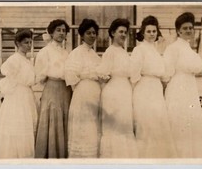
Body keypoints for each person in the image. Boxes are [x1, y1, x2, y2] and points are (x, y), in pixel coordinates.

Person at [130, 15, 176, 158]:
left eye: (154, 31)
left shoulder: (156, 51)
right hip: (144, 89)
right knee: (146, 124)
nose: (151, 34)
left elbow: (163, 72)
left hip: (156, 89)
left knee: (158, 124)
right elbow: (133, 73)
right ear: (143, 32)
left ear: (157, 33)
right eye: (148, 31)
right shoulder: (139, 50)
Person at [163, 12, 202, 158]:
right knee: (179, 121)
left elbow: (197, 66)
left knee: (190, 122)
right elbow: (167, 72)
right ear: (178, 31)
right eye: (185, 28)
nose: (188, 31)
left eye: (190, 28)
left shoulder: (189, 48)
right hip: (177, 88)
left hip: (190, 88)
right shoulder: (173, 48)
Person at [97, 18, 138, 158]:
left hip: (125, 92)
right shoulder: (110, 51)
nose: (123, 35)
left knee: (125, 125)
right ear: (113, 33)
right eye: (120, 31)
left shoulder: (123, 51)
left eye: (125, 32)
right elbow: (102, 74)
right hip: (114, 93)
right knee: (115, 127)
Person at [34, 19, 72, 158]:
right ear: (51, 32)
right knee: (52, 119)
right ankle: (49, 155)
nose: (61, 33)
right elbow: (40, 75)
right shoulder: (45, 51)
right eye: (58, 30)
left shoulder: (66, 53)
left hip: (66, 90)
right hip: (52, 87)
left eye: (64, 31)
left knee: (64, 119)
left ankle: (62, 155)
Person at [0, 29, 38, 158]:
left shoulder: (26, 60)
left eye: (30, 42)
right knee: (17, 124)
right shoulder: (14, 59)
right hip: (18, 96)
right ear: (17, 43)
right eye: (26, 42)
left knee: (26, 124)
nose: (29, 45)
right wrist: (17, 83)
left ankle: (25, 155)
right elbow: (6, 70)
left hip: (27, 95)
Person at [65, 19, 101, 158]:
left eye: (94, 33)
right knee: (83, 125)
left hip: (95, 94)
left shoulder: (94, 55)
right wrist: (83, 84)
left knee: (92, 125)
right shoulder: (77, 52)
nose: (92, 35)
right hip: (83, 92)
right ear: (81, 35)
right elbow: (70, 75)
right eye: (88, 33)